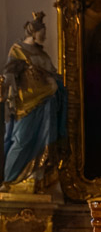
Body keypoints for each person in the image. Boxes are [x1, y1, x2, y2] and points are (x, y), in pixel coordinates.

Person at [1, 11, 66, 191]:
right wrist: (8, 91)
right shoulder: (18, 50)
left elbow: (52, 73)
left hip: (46, 102)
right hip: (26, 103)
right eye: (41, 33)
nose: (44, 37)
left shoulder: (42, 54)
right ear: (33, 32)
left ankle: (35, 176)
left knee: (41, 141)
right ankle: (9, 180)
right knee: (21, 140)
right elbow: (9, 74)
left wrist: (56, 82)